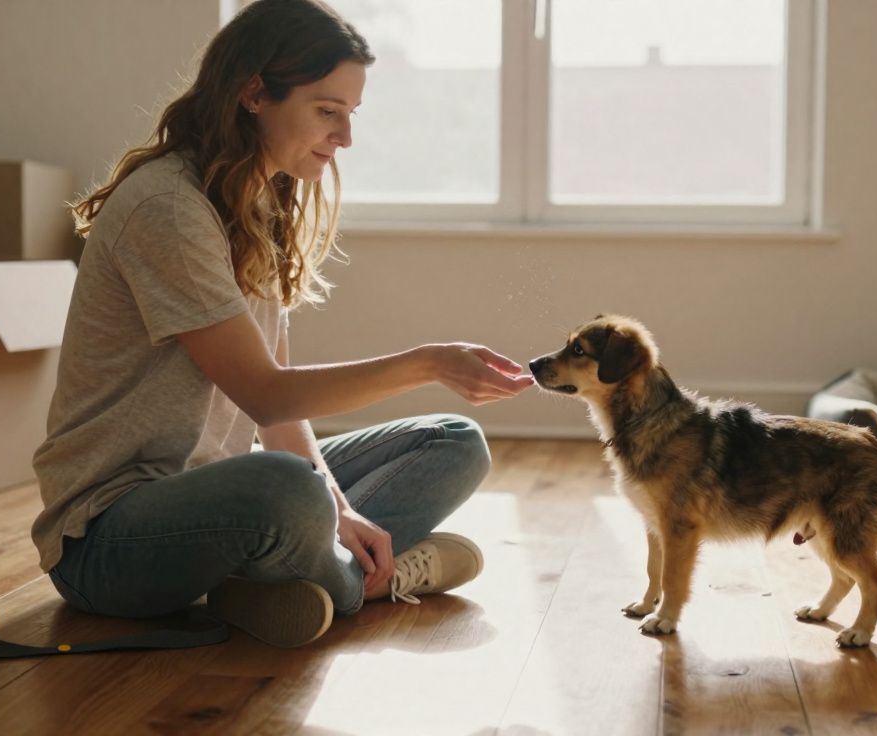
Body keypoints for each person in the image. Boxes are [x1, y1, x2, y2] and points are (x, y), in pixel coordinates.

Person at [31, 0, 533, 649]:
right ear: (253, 94)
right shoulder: (168, 209)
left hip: (223, 493)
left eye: (351, 114)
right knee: (286, 488)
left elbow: (276, 413)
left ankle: (281, 579)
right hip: (110, 541)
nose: (345, 137)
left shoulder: (254, 200)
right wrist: (428, 363)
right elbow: (266, 392)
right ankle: (360, 583)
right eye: (328, 111)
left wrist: (345, 510)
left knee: (453, 441)